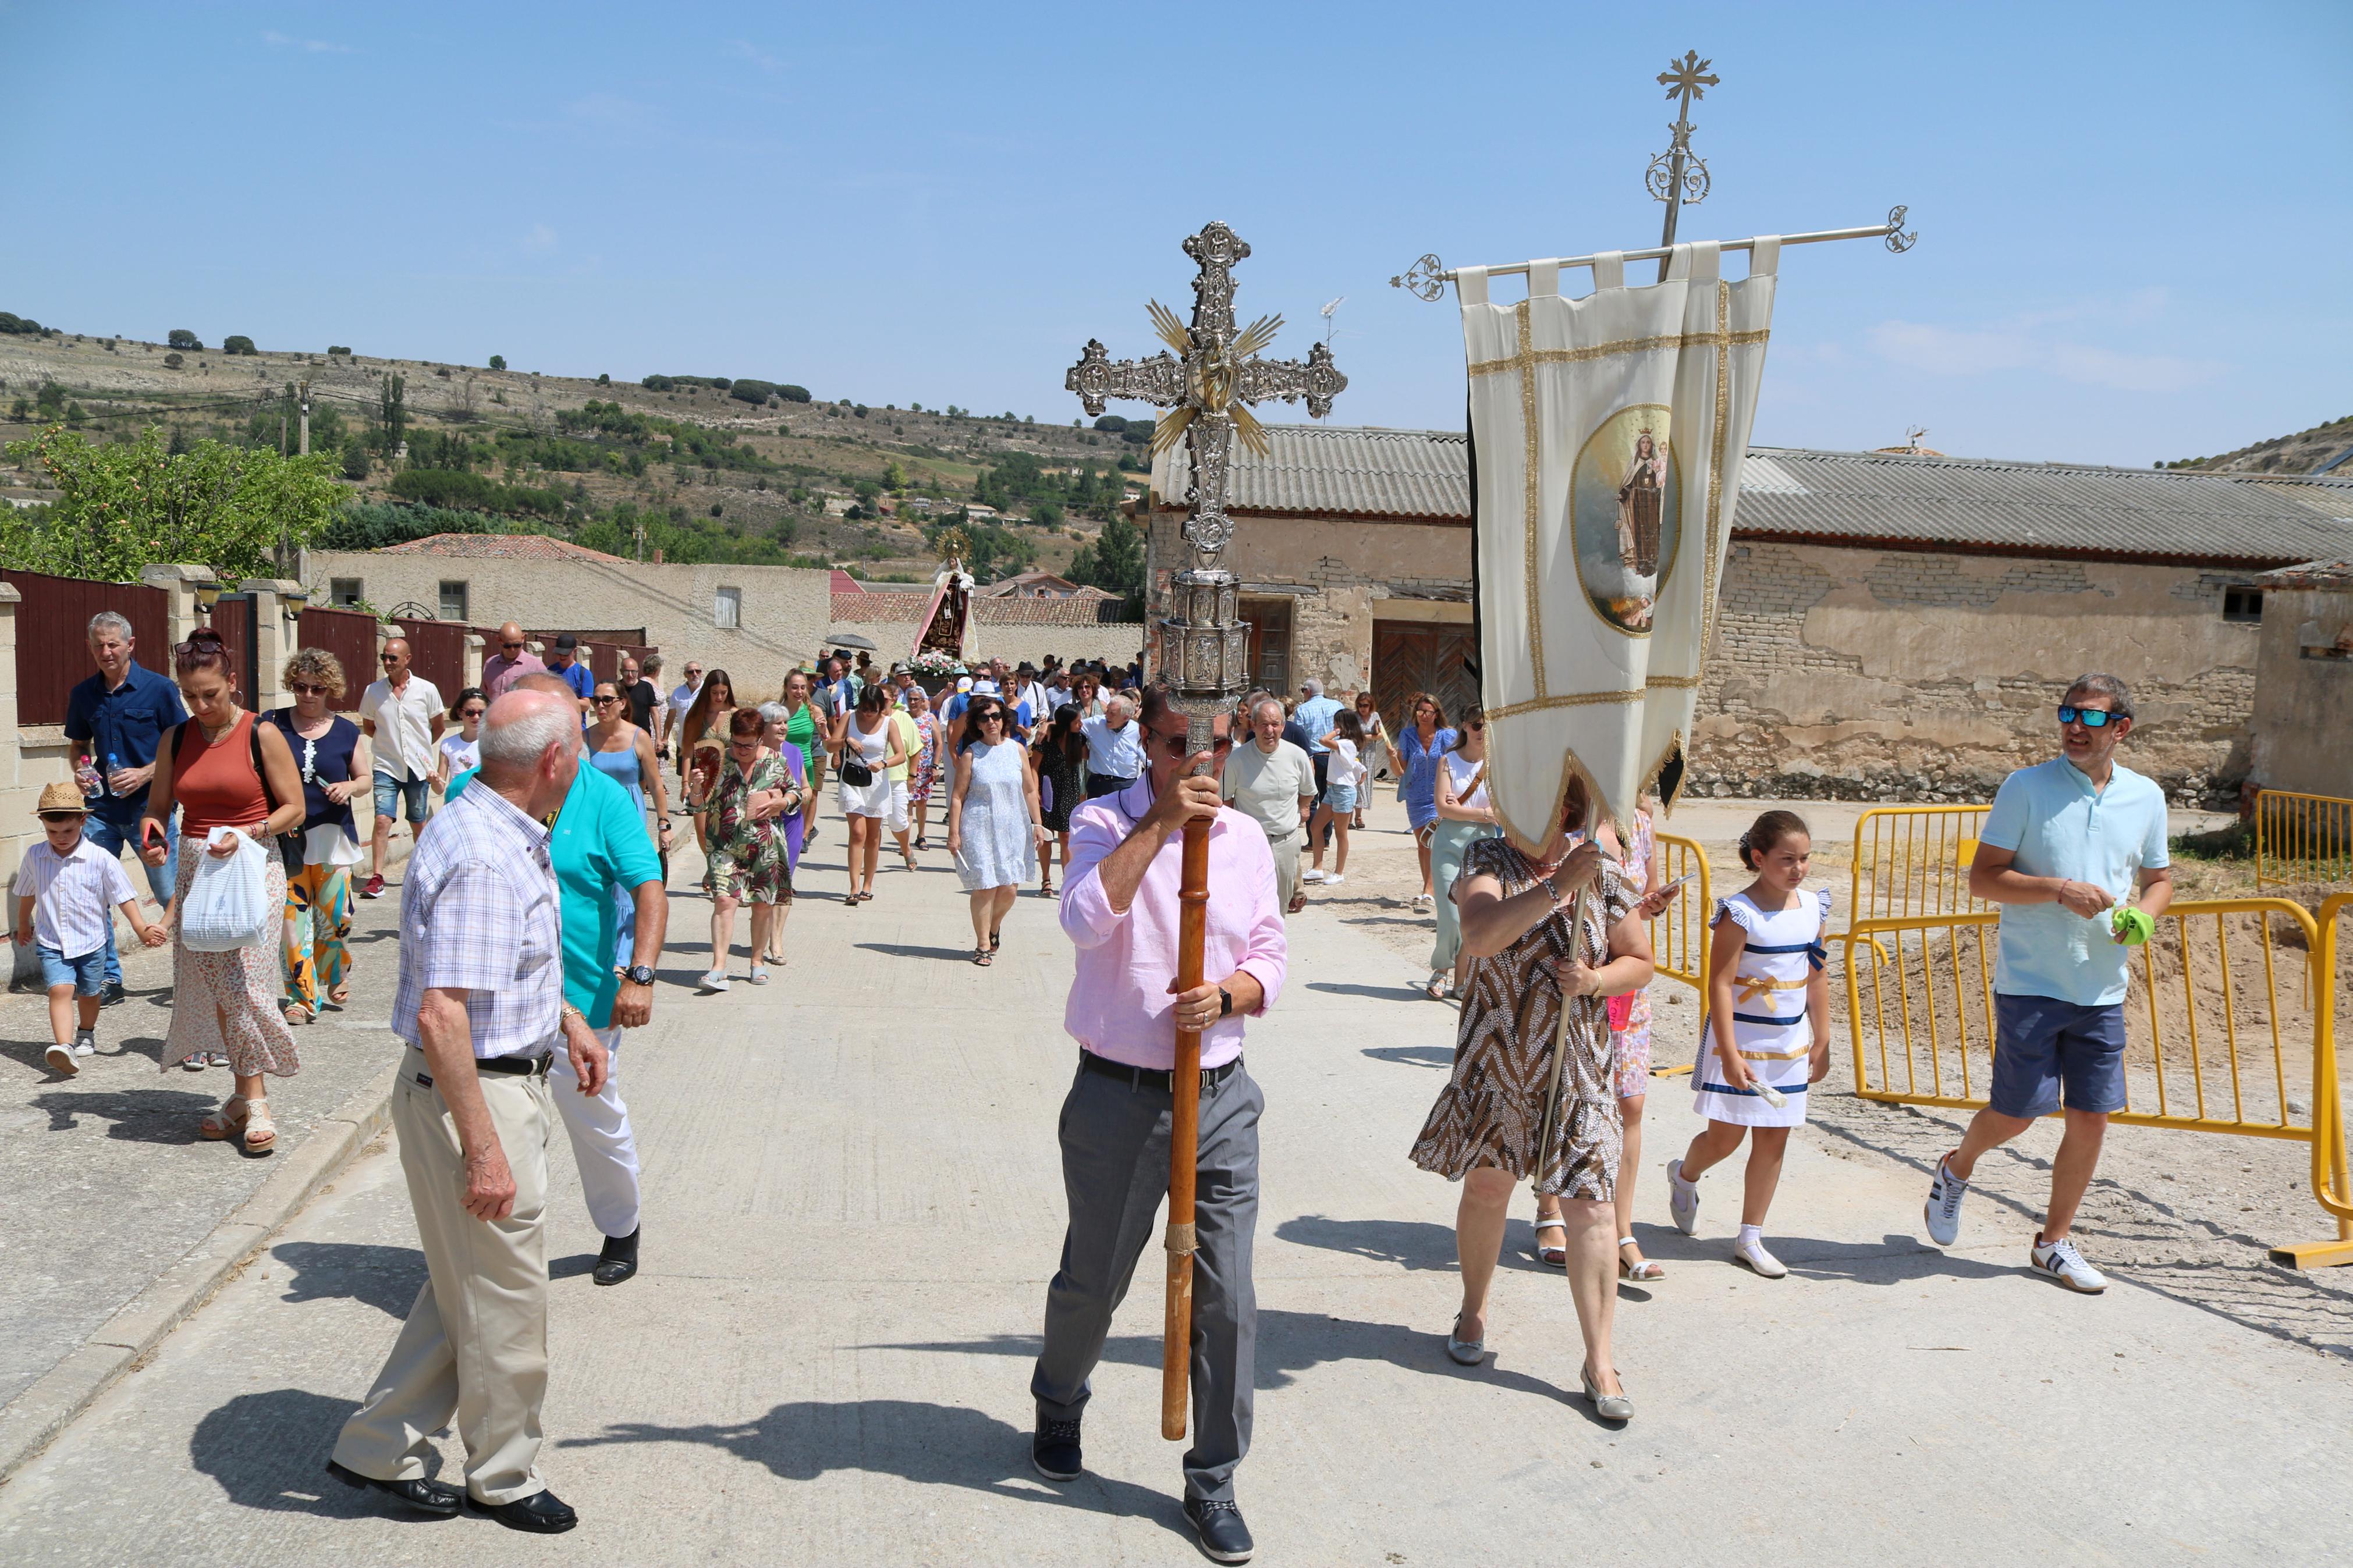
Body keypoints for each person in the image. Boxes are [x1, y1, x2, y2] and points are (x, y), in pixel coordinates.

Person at [328, 687, 608, 1533]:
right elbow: (443, 1011)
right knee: (507, 1298)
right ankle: (505, 1472)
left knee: (466, 1288)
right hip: (472, 1091)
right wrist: (484, 1148)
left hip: (478, 1076)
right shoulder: (489, 851)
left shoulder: (480, 819)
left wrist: (566, 1017)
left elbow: (497, 968)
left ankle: (376, 1446)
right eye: (578, 753)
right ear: (554, 760)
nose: (581, 767)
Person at [1028, 685, 1280, 1565]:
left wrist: (1231, 994)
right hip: (1118, 1094)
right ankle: (1059, 1398)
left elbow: (1269, 951)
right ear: (1146, 743)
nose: (1201, 762)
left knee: (1228, 1296)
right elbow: (1083, 920)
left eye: (1217, 744)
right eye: (1181, 745)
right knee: (1094, 1276)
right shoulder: (1102, 820)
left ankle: (1213, 1477)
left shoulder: (1246, 840)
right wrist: (1159, 827)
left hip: (1218, 1093)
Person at [1409, 774, 1653, 1423]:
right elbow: (1482, 934)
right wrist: (1556, 888)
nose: (1532, 826)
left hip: (1575, 1066)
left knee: (1592, 1210)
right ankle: (1472, 1307)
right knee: (1489, 1187)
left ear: (1568, 814)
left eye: (1551, 813)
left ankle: (1598, 1358)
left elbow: (1639, 957)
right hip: (1500, 1057)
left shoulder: (1598, 870)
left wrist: (1598, 977)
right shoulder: (1488, 860)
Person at [1921, 673, 2173, 1295]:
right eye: (2066, 713)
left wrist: (2146, 914)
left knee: (2090, 1119)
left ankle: (2052, 1242)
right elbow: (1983, 879)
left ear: (2120, 729)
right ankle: (1955, 1168)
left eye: (2088, 718)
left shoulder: (2145, 796)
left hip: (2101, 988)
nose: (2072, 727)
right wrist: (2057, 889)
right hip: (2031, 980)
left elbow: (2160, 878)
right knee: (2014, 1114)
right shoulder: (2025, 787)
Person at [448, 674, 669, 1291]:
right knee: (498, 1123)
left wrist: (641, 974)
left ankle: (620, 1225)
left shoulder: (602, 798)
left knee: (592, 1115)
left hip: (586, 995)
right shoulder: (473, 792)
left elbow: (647, 886)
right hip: (496, 994)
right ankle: (493, 1244)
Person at [140, 627, 308, 1140]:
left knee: (245, 983)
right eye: (189, 696)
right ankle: (243, 1094)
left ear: (233, 682)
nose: (200, 705)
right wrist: (152, 837)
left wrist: (246, 832)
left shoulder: (263, 734)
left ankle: (254, 1100)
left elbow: (294, 809)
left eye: (210, 694)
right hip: (196, 870)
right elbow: (158, 807)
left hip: (254, 864)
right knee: (221, 988)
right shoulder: (177, 738)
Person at [1662, 809, 1830, 1278]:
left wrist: (1824, 1037)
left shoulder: (1814, 907)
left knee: (1774, 1141)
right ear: (1758, 857)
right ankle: (1684, 1175)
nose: (1797, 868)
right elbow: (1719, 982)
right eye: (1786, 859)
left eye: (1804, 858)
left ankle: (1750, 1236)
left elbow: (1816, 974)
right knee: (1725, 1138)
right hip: (1739, 1041)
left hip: (1789, 1045)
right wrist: (1730, 1053)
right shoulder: (1739, 912)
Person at [63, 610, 186, 1006]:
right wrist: (81, 773)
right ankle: (108, 979)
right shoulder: (83, 693)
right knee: (93, 893)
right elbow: (80, 747)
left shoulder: (160, 689)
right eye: (98, 644)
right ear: (90, 646)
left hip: (153, 809)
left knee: (173, 892)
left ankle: (188, 975)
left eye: (113, 643)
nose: (106, 651)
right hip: (100, 811)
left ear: (130, 644)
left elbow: (183, 746)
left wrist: (147, 773)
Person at [17, 781, 168, 1075]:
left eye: (68, 831)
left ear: (83, 821)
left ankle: (86, 1031)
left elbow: (124, 896)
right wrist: (24, 922)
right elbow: (28, 891)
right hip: (52, 941)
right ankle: (64, 1048)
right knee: (60, 990)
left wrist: (140, 928)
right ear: (42, 825)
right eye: (52, 832)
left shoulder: (100, 858)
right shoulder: (35, 855)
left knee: (88, 993)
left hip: (92, 943)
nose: (60, 838)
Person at [268, 649, 368, 1026]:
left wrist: (349, 786)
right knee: (292, 923)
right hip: (289, 841)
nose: (308, 694)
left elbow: (365, 779)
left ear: (330, 689)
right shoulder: (273, 724)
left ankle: (335, 967)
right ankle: (301, 997)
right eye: (300, 687)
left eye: (317, 688)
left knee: (337, 917)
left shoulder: (346, 731)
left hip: (333, 839)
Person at [698, 707, 802, 990]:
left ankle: (757, 961)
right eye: (737, 743)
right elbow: (696, 806)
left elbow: (796, 792)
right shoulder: (717, 762)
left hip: (765, 845)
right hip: (725, 845)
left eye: (749, 744)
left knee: (762, 905)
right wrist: (697, 788)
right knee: (724, 901)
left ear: (761, 739)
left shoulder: (776, 761)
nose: (742, 749)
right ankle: (719, 968)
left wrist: (783, 803)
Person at [947, 694, 1044, 965]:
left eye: (996, 716)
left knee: (1010, 889)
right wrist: (954, 832)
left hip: (1013, 826)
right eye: (984, 718)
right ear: (976, 724)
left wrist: (1037, 824)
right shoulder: (970, 754)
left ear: (1004, 719)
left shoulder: (1017, 750)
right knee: (985, 886)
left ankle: (993, 927)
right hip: (978, 827)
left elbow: (1029, 790)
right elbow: (957, 797)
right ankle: (982, 946)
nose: (991, 722)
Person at [356, 637, 445, 900]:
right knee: (383, 819)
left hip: (418, 768)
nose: (387, 662)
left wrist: (419, 750)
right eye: (384, 657)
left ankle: (428, 870)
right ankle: (377, 877)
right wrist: (391, 745)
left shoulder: (427, 690)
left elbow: (437, 726)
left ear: (407, 659)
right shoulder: (373, 691)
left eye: (393, 658)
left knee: (418, 821)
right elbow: (369, 726)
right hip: (386, 765)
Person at [1426, 706, 1500, 999]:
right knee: (1450, 915)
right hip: (1449, 845)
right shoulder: (1449, 761)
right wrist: (1483, 813)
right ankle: (1441, 969)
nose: (1483, 732)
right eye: (1478, 725)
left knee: (1473, 915)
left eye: (1488, 726)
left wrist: (1463, 810)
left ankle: (1462, 977)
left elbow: (1503, 811)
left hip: (1484, 846)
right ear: (1465, 727)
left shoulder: (1497, 765)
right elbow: (1444, 808)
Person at [1220, 696, 1315, 918]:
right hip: (1250, 843)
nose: (1269, 730)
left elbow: (1308, 792)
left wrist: (1303, 810)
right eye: (1263, 724)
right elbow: (1226, 801)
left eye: (1275, 724)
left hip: (1285, 843)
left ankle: (1273, 951)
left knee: (1278, 908)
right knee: (1246, 905)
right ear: (1253, 725)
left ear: (1283, 726)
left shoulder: (1297, 756)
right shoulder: (1237, 759)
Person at [587, 678, 674, 881]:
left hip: (630, 811)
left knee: (626, 873)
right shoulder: (584, 739)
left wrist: (664, 825)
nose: (601, 705)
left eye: (607, 700)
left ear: (622, 703)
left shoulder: (639, 737)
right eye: (596, 700)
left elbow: (655, 784)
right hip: (596, 813)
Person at [831, 682, 906, 905]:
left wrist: (883, 763)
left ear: (881, 707)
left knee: (873, 837)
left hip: (877, 783)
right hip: (852, 780)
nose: (868, 713)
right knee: (857, 833)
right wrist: (846, 740)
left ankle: (868, 886)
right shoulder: (849, 717)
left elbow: (901, 755)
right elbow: (829, 744)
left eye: (873, 709)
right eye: (865, 708)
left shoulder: (889, 724)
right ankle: (854, 887)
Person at [754, 702, 812, 966]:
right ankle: (761, 935)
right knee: (764, 885)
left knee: (784, 882)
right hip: (760, 825)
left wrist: (793, 799)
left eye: (785, 723)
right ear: (763, 727)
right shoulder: (753, 752)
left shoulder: (795, 751)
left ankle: (776, 941)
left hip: (791, 822)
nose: (783, 728)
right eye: (778, 723)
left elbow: (807, 788)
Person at [1394, 693, 1456, 910]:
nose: (1424, 716)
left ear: (1436, 714)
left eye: (1429, 712)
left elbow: (1457, 764)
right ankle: (1429, 888)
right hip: (1416, 796)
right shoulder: (1407, 735)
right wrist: (1393, 757)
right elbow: (1400, 770)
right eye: (1421, 712)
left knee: (1436, 842)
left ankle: (1430, 890)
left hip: (1439, 795)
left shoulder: (1448, 736)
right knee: (1423, 844)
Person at [677, 668, 738, 858]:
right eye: (714, 693)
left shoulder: (736, 715)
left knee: (728, 832)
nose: (719, 697)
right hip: (702, 782)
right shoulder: (697, 716)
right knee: (703, 832)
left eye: (723, 693)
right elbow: (687, 752)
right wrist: (685, 785)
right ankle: (712, 866)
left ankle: (722, 870)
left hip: (731, 782)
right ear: (707, 692)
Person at [1032, 702, 1088, 899]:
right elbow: (1034, 768)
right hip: (1048, 791)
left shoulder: (1079, 739)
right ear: (1066, 723)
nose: (1080, 724)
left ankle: (1068, 881)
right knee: (1046, 837)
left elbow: (1088, 756)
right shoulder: (1046, 740)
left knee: (1066, 837)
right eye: (1077, 721)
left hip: (1070, 792)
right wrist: (1035, 791)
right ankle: (1046, 878)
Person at [775, 669, 825, 857]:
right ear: (786, 688)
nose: (799, 691)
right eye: (794, 687)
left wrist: (823, 730)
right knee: (780, 819)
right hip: (780, 767)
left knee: (796, 821)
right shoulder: (777, 711)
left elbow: (828, 742)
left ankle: (803, 838)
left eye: (803, 688)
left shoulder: (814, 710)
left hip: (805, 767)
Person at [1316, 710, 1367, 888]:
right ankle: (1317, 866)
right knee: (1316, 826)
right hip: (1332, 789)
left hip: (1343, 791)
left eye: (1336, 723)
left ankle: (1339, 872)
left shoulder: (1347, 743)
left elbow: (1323, 740)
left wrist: (1337, 731)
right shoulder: (1343, 744)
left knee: (1341, 833)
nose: (1334, 727)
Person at [885, 689, 922, 873]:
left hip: (897, 777)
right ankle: (867, 860)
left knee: (899, 822)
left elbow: (916, 748)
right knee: (869, 824)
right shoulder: (869, 718)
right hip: (872, 780)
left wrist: (912, 775)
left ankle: (905, 847)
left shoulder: (903, 719)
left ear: (893, 700)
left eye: (884, 699)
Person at [1080, 694, 1145, 799]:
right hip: (1098, 785)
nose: (1107, 716)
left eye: (1112, 713)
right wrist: (1047, 725)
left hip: (1126, 787)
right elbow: (1070, 724)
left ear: (1126, 717)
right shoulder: (1096, 724)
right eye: (1107, 711)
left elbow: (1149, 761)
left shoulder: (1138, 732)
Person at [903, 685, 943, 852]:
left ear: (922, 701)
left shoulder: (930, 719)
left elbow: (939, 743)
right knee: (908, 803)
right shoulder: (903, 718)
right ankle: (905, 841)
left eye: (916, 699)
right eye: (910, 699)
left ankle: (921, 835)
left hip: (926, 767)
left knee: (921, 803)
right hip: (906, 767)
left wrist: (935, 766)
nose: (913, 702)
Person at [435, 687, 487, 801]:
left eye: (482, 713)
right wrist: (433, 781)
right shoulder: (447, 744)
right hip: (455, 803)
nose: (476, 717)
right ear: (460, 713)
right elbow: (439, 789)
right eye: (470, 713)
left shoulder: (494, 744)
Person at [1350, 691, 1388, 829]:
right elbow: (1350, 733)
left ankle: (1358, 815)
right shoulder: (1354, 717)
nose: (1362, 708)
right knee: (1355, 783)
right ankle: (1354, 817)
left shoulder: (1375, 716)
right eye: (1360, 705)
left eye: (1365, 705)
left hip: (1370, 754)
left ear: (1370, 705)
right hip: (1356, 752)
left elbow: (1381, 735)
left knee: (1364, 783)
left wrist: (1367, 737)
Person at [480, 624, 545, 698]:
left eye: (517, 645)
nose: (512, 650)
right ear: (499, 640)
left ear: (523, 639)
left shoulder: (535, 666)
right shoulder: (490, 664)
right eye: (507, 646)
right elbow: (483, 696)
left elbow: (544, 697)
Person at [666, 660, 705, 778]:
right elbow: (671, 716)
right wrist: (664, 738)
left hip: (703, 743)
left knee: (702, 777)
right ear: (685, 675)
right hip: (683, 742)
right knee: (685, 778)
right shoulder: (678, 692)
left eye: (698, 671)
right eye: (691, 672)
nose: (695, 674)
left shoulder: (708, 691)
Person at [544, 633, 594, 716]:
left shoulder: (584, 674)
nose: (562, 657)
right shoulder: (549, 671)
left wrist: (562, 699)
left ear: (575, 651)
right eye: (559, 653)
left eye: (566, 654)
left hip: (576, 723)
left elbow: (586, 705)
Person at [618, 654, 659, 741]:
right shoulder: (617, 688)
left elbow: (654, 713)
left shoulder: (646, 687)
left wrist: (658, 738)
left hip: (643, 735)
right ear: (621, 672)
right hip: (621, 735)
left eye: (633, 672)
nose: (630, 675)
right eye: (626, 672)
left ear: (638, 672)